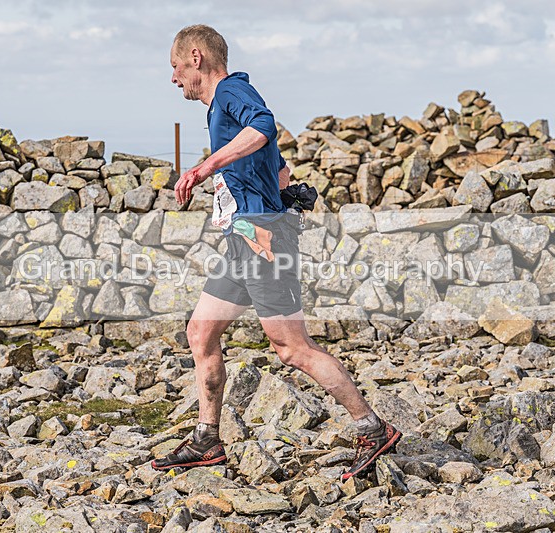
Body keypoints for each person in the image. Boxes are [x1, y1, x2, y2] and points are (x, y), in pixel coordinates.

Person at [150, 24, 400, 481]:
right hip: (243, 235)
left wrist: (205, 168)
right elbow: (279, 169)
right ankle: (207, 439)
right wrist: (272, 194)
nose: (173, 79)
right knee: (201, 333)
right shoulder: (222, 108)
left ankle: (372, 428)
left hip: (260, 238)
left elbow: (264, 126)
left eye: (175, 67)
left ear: (195, 57)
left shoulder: (230, 92)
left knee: (291, 347)